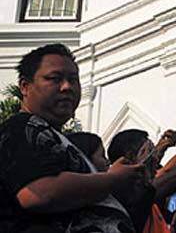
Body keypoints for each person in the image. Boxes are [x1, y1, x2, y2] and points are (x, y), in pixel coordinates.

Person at [0, 44, 140, 233]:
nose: (67, 87)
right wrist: (113, 179)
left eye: (73, 80)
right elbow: (39, 193)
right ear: (25, 86)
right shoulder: (22, 126)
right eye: (54, 79)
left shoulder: (54, 137)